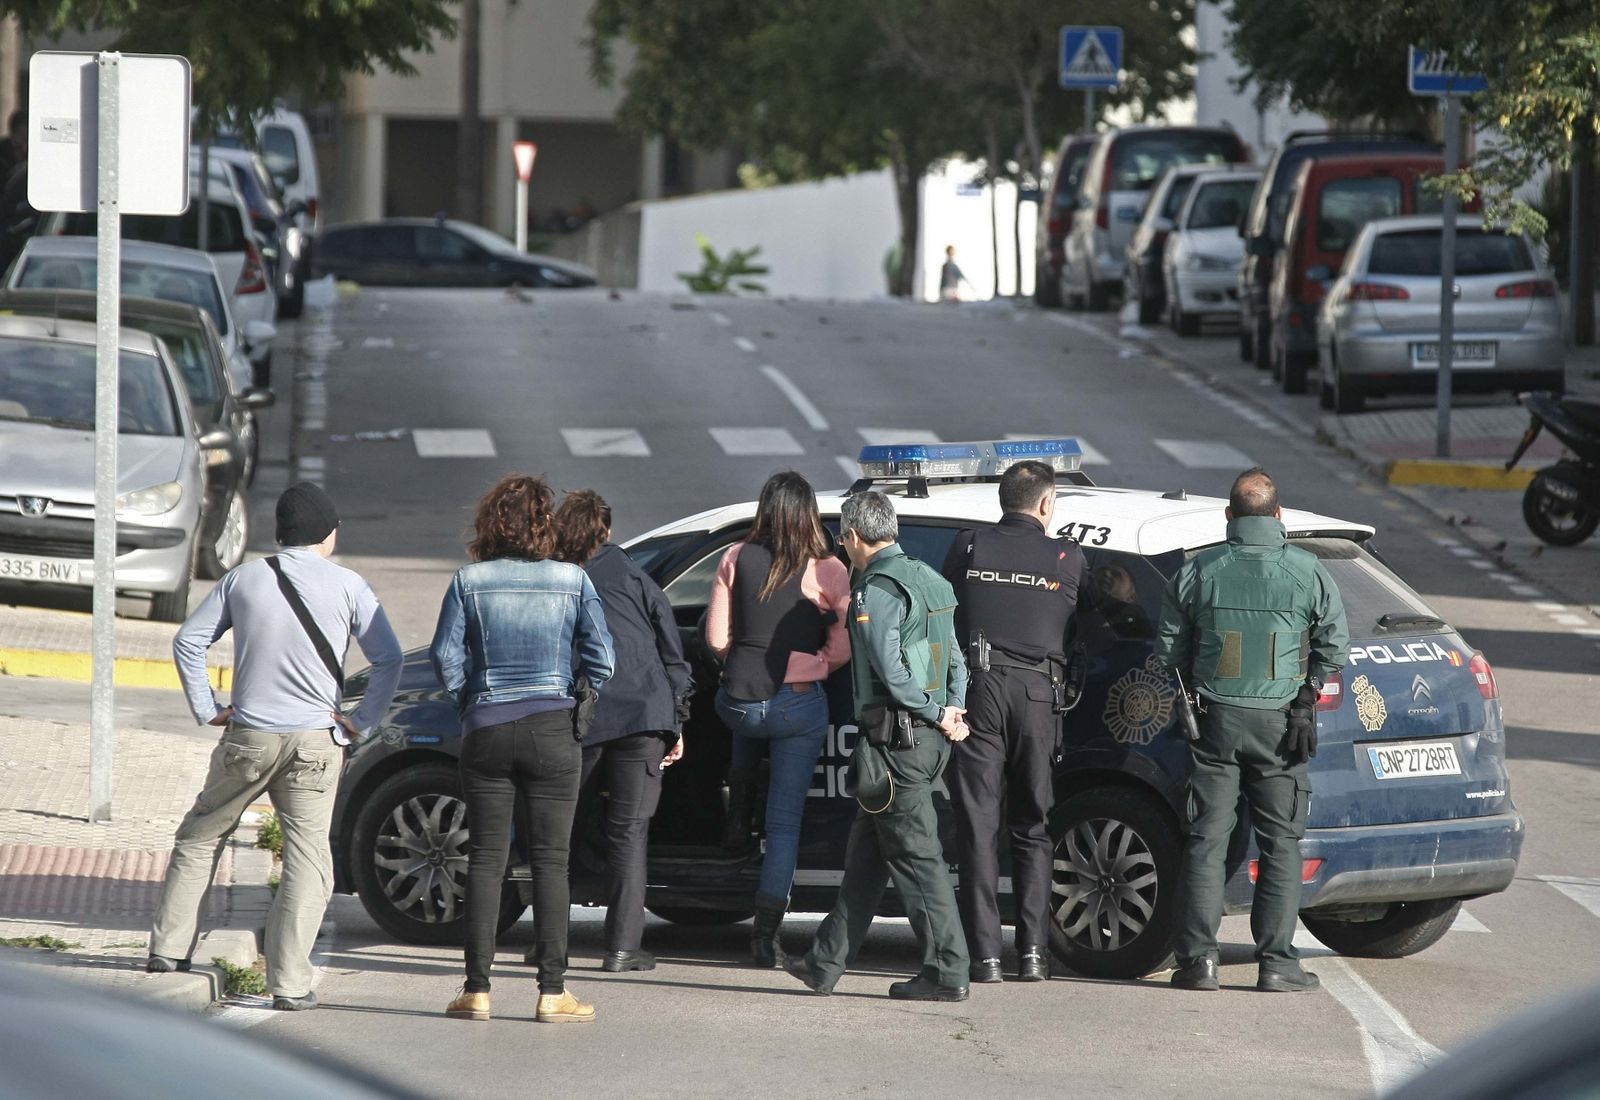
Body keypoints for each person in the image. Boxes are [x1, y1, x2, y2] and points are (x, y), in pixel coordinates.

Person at [150, 482, 404, 1011]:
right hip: (316, 742)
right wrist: (359, 723)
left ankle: (169, 952)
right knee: (308, 859)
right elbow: (390, 659)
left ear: (280, 533)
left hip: (249, 737)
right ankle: (289, 983)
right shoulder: (350, 586)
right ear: (328, 534)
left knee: (201, 835)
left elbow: (189, 640)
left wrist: (208, 706)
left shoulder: (243, 578)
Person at [1155, 468, 1349, 994]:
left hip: (1214, 723)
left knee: (1206, 840)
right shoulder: (1307, 571)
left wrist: (1198, 684)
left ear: (1229, 515)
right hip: (1281, 725)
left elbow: (1168, 650)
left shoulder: (1200, 570)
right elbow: (1334, 646)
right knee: (1281, 842)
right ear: (1278, 515)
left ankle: (1199, 963)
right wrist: (1306, 696)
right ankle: (1277, 964)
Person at [430, 474, 615, 1024]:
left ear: (491, 522)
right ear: (545, 524)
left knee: (486, 859)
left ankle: (476, 989)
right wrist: (577, 692)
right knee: (551, 862)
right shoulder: (572, 580)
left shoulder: (469, 581)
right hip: (553, 727)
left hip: (487, 727)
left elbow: (445, 656)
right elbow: (604, 658)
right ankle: (552, 992)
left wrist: (469, 700)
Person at [783, 491, 972, 1001]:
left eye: (841, 539)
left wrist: (936, 712)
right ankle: (824, 963)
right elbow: (956, 658)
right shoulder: (929, 578)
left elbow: (891, 672)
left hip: (898, 743)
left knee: (918, 860)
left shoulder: (876, 589)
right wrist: (952, 709)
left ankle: (947, 971)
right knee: (866, 858)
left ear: (852, 536)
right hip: (922, 740)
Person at [942, 460, 1087, 983]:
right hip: (1038, 695)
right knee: (1033, 826)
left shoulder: (968, 546)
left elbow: (946, 611)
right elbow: (1094, 618)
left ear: (1002, 500)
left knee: (978, 827)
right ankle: (1033, 955)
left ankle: (984, 958)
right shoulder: (1068, 557)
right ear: (1046, 504)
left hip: (979, 688)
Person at [706, 471, 851, 967]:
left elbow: (717, 640)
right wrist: (815, 664)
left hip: (739, 706)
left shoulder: (735, 556)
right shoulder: (829, 568)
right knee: (784, 824)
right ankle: (765, 939)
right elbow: (842, 649)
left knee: (748, 711)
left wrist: (744, 663)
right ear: (809, 513)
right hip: (797, 706)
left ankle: (739, 804)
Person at [554, 490, 692, 974]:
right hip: (643, 716)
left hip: (584, 716)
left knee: (560, 832)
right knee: (629, 833)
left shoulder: (557, 580)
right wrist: (676, 721)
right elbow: (673, 654)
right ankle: (621, 948)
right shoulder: (635, 576)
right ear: (607, 531)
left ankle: (549, 944)